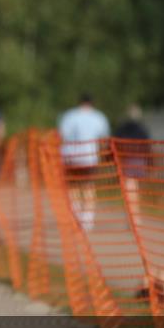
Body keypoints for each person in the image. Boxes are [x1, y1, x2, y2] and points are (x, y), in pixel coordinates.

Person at [58, 93, 110, 232]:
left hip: (71, 157)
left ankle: (76, 214)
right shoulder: (99, 117)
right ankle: (87, 219)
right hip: (89, 157)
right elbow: (104, 139)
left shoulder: (70, 115)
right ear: (92, 103)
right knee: (88, 186)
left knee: (73, 186)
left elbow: (62, 135)